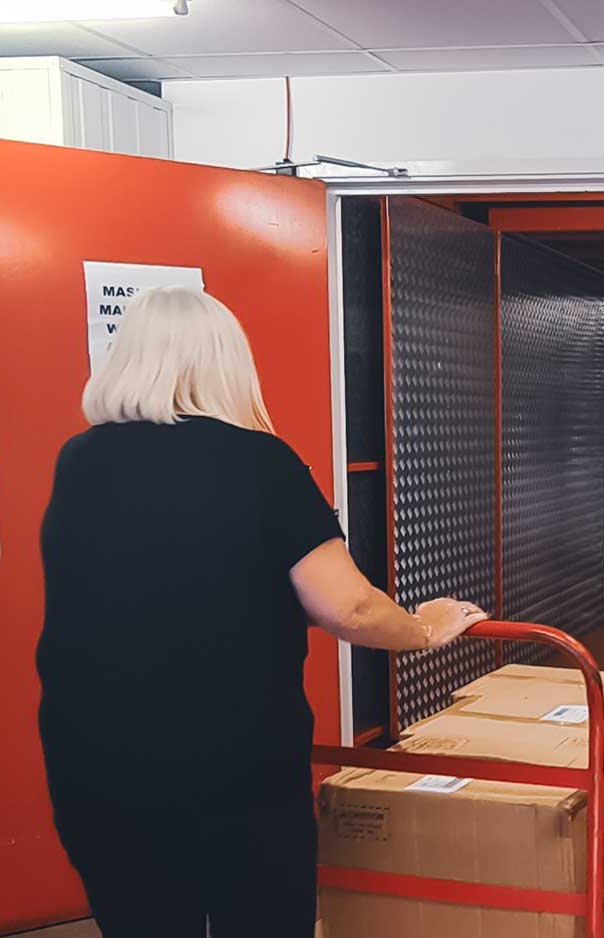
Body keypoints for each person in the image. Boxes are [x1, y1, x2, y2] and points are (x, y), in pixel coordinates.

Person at [36, 286, 488, 938]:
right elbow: (351, 606)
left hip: (93, 766)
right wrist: (424, 628)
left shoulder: (78, 460)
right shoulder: (260, 463)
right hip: (228, 772)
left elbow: (157, 580)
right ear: (227, 363)